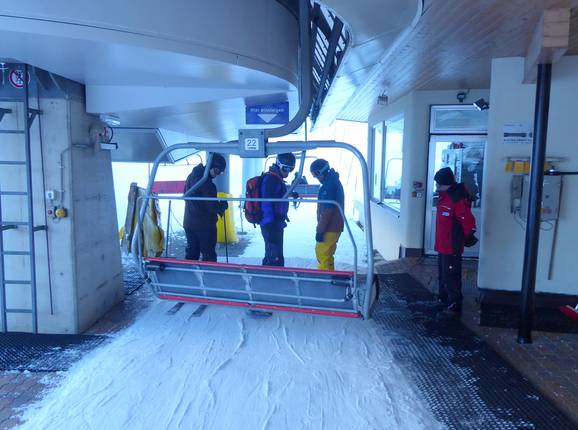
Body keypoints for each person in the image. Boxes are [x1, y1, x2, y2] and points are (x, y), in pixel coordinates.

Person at [434, 166, 477, 318]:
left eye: (439, 184)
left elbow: (468, 221)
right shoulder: (444, 196)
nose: (437, 187)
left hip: (451, 246)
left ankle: (455, 303)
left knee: (451, 275)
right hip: (442, 245)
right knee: (443, 274)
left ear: (446, 184)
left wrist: (468, 237)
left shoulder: (456, 199)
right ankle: (443, 297)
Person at [183, 153, 228, 261]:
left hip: (189, 222)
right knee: (209, 255)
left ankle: (188, 271)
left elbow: (185, 194)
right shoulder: (208, 184)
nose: (217, 175)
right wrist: (222, 205)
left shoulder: (191, 176)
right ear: (210, 166)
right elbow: (212, 207)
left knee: (192, 253)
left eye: (220, 173)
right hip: (205, 225)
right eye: (216, 171)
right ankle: (209, 272)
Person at [259, 153, 296, 266]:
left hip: (276, 222)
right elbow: (266, 201)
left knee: (276, 254)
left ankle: (274, 272)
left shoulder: (277, 178)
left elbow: (278, 195)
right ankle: (269, 274)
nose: (288, 172)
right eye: (286, 168)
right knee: (273, 255)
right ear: (279, 165)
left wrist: (290, 194)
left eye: (291, 169)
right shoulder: (271, 179)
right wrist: (269, 222)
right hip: (271, 223)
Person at [310, 159, 344, 271]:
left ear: (323, 171)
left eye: (316, 174)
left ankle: (324, 276)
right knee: (327, 253)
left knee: (321, 252)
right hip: (334, 226)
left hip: (330, 227)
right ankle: (329, 274)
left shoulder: (329, 186)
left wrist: (320, 230)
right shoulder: (331, 182)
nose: (316, 177)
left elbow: (328, 211)